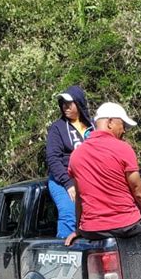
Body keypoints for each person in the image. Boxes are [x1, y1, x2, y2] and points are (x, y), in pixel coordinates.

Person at [64, 102, 141, 244]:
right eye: (123, 125)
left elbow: (79, 198)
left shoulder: (76, 155)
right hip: (125, 226)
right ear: (110, 122)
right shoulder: (123, 149)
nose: (124, 130)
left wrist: (78, 229)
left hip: (92, 230)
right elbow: (138, 191)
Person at [46, 86, 94, 239]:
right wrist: (68, 183)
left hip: (87, 178)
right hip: (62, 180)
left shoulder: (93, 126)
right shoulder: (57, 128)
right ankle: (65, 250)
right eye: (63, 103)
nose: (65, 107)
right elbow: (53, 158)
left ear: (78, 103)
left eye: (69, 103)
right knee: (69, 212)